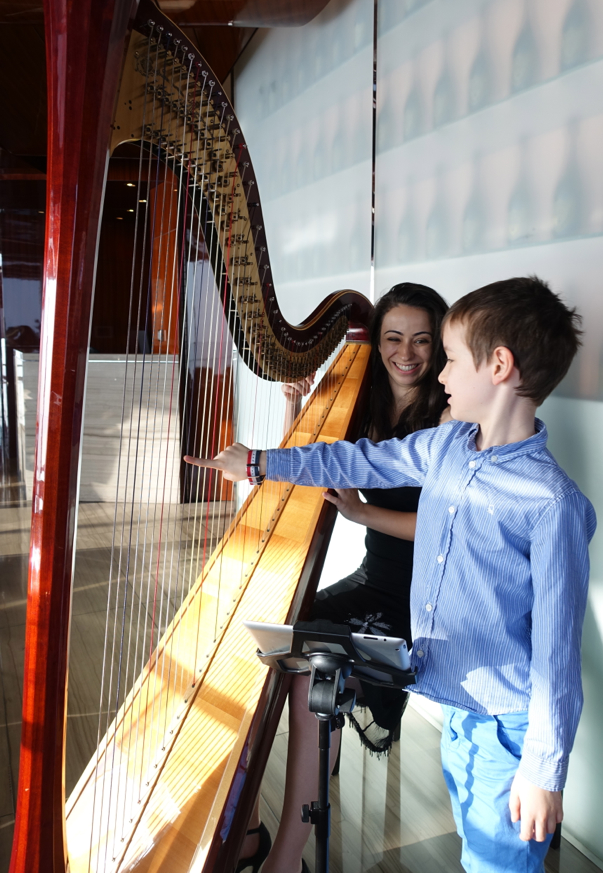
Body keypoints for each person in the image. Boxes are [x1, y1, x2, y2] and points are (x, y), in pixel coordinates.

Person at [205, 276, 597, 873]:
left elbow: (557, 652)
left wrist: (544, 771)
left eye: (451, 360)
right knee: (477, 853)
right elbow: (355, 457)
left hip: (508, 728)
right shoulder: (444, 448)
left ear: (498, 366)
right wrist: (261, 462)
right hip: (460, 711)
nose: (439, 374)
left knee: (498, 863)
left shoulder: (551, 503)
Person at [243, 282, 450, 873]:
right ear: (377, 340)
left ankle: (286, 862)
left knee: (313, 681)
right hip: (372, 576)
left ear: (440, 345)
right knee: (263, 651)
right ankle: (250, 828)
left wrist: (363, 512)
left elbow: (445, 526)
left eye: (421, 340)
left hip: (422, 596)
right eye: (392, 338)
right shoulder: (363, 399)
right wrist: (297, 404)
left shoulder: (451, 413)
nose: (405, 353)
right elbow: (317, 460)